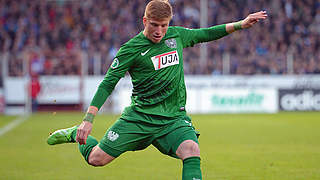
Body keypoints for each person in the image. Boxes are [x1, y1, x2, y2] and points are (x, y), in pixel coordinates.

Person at [47, 1, 267, 179]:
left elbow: (206, 33)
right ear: (145, 21)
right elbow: (108, 83)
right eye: (154, 25)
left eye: (164, 25)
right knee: (97, 159)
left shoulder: (176, 36)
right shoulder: (130, 49)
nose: (160, 31)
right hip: (139, 118)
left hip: (173, 118)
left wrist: (240, 24)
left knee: (191, 149)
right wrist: (88, 119)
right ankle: (76, 133)